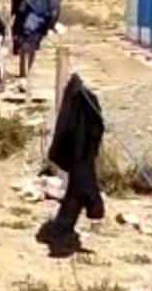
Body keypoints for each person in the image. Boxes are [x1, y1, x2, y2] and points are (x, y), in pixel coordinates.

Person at [36, 74, 104, 256]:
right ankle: (66, 226)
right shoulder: (84, 103)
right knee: (82, 187)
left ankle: (64, 226)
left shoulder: (81, 101)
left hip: (80, 158)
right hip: (81, 157)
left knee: (77, 189)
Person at [11, 0, 64, 85]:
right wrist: (52, 25)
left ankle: (24, 73)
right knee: (30, 48)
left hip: (26, 27)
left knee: (25, 48)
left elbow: (17, 11)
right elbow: (52, 15)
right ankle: (26, 73)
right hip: (31, 28)